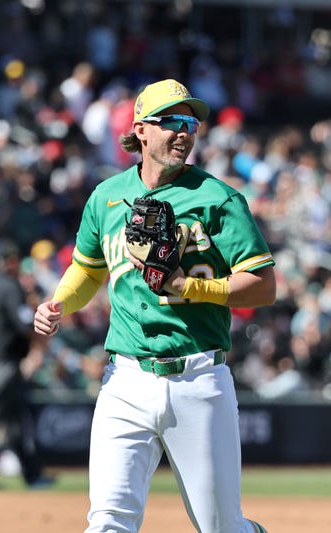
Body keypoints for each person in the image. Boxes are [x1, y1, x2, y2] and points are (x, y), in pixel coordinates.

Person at [33, 79, 274, 533]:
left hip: (199, 377)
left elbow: (263, 286)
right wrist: (59, 301)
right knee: (108, 523)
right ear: (141, 130)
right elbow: (88, 269)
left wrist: (197, 290)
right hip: (125, 379)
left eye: (191, 123)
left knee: (221, 527)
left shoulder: (217, 199)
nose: (184, 132)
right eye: (172, 122)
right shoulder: (106, 197)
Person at [0, 241, 53, 490]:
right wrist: (39, 343)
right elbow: (23, 324)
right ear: (10, 261)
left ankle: (32, 474)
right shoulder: (10, 286)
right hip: (4, 363)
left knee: (15, 419)